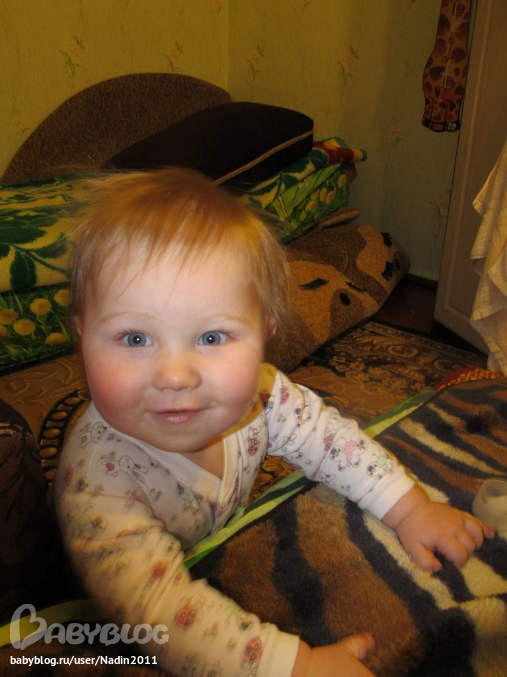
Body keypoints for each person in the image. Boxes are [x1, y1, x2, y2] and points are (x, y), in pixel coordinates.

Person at [55, 168, 494, 677]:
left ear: (264, 333)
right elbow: (158, 613)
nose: (175, 376)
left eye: (212, 337)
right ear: (82, 333)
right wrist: (292, 666)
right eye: (134, 338)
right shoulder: (98, 484)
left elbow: (328, 440)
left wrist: (409, 507)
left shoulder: (259, 394)